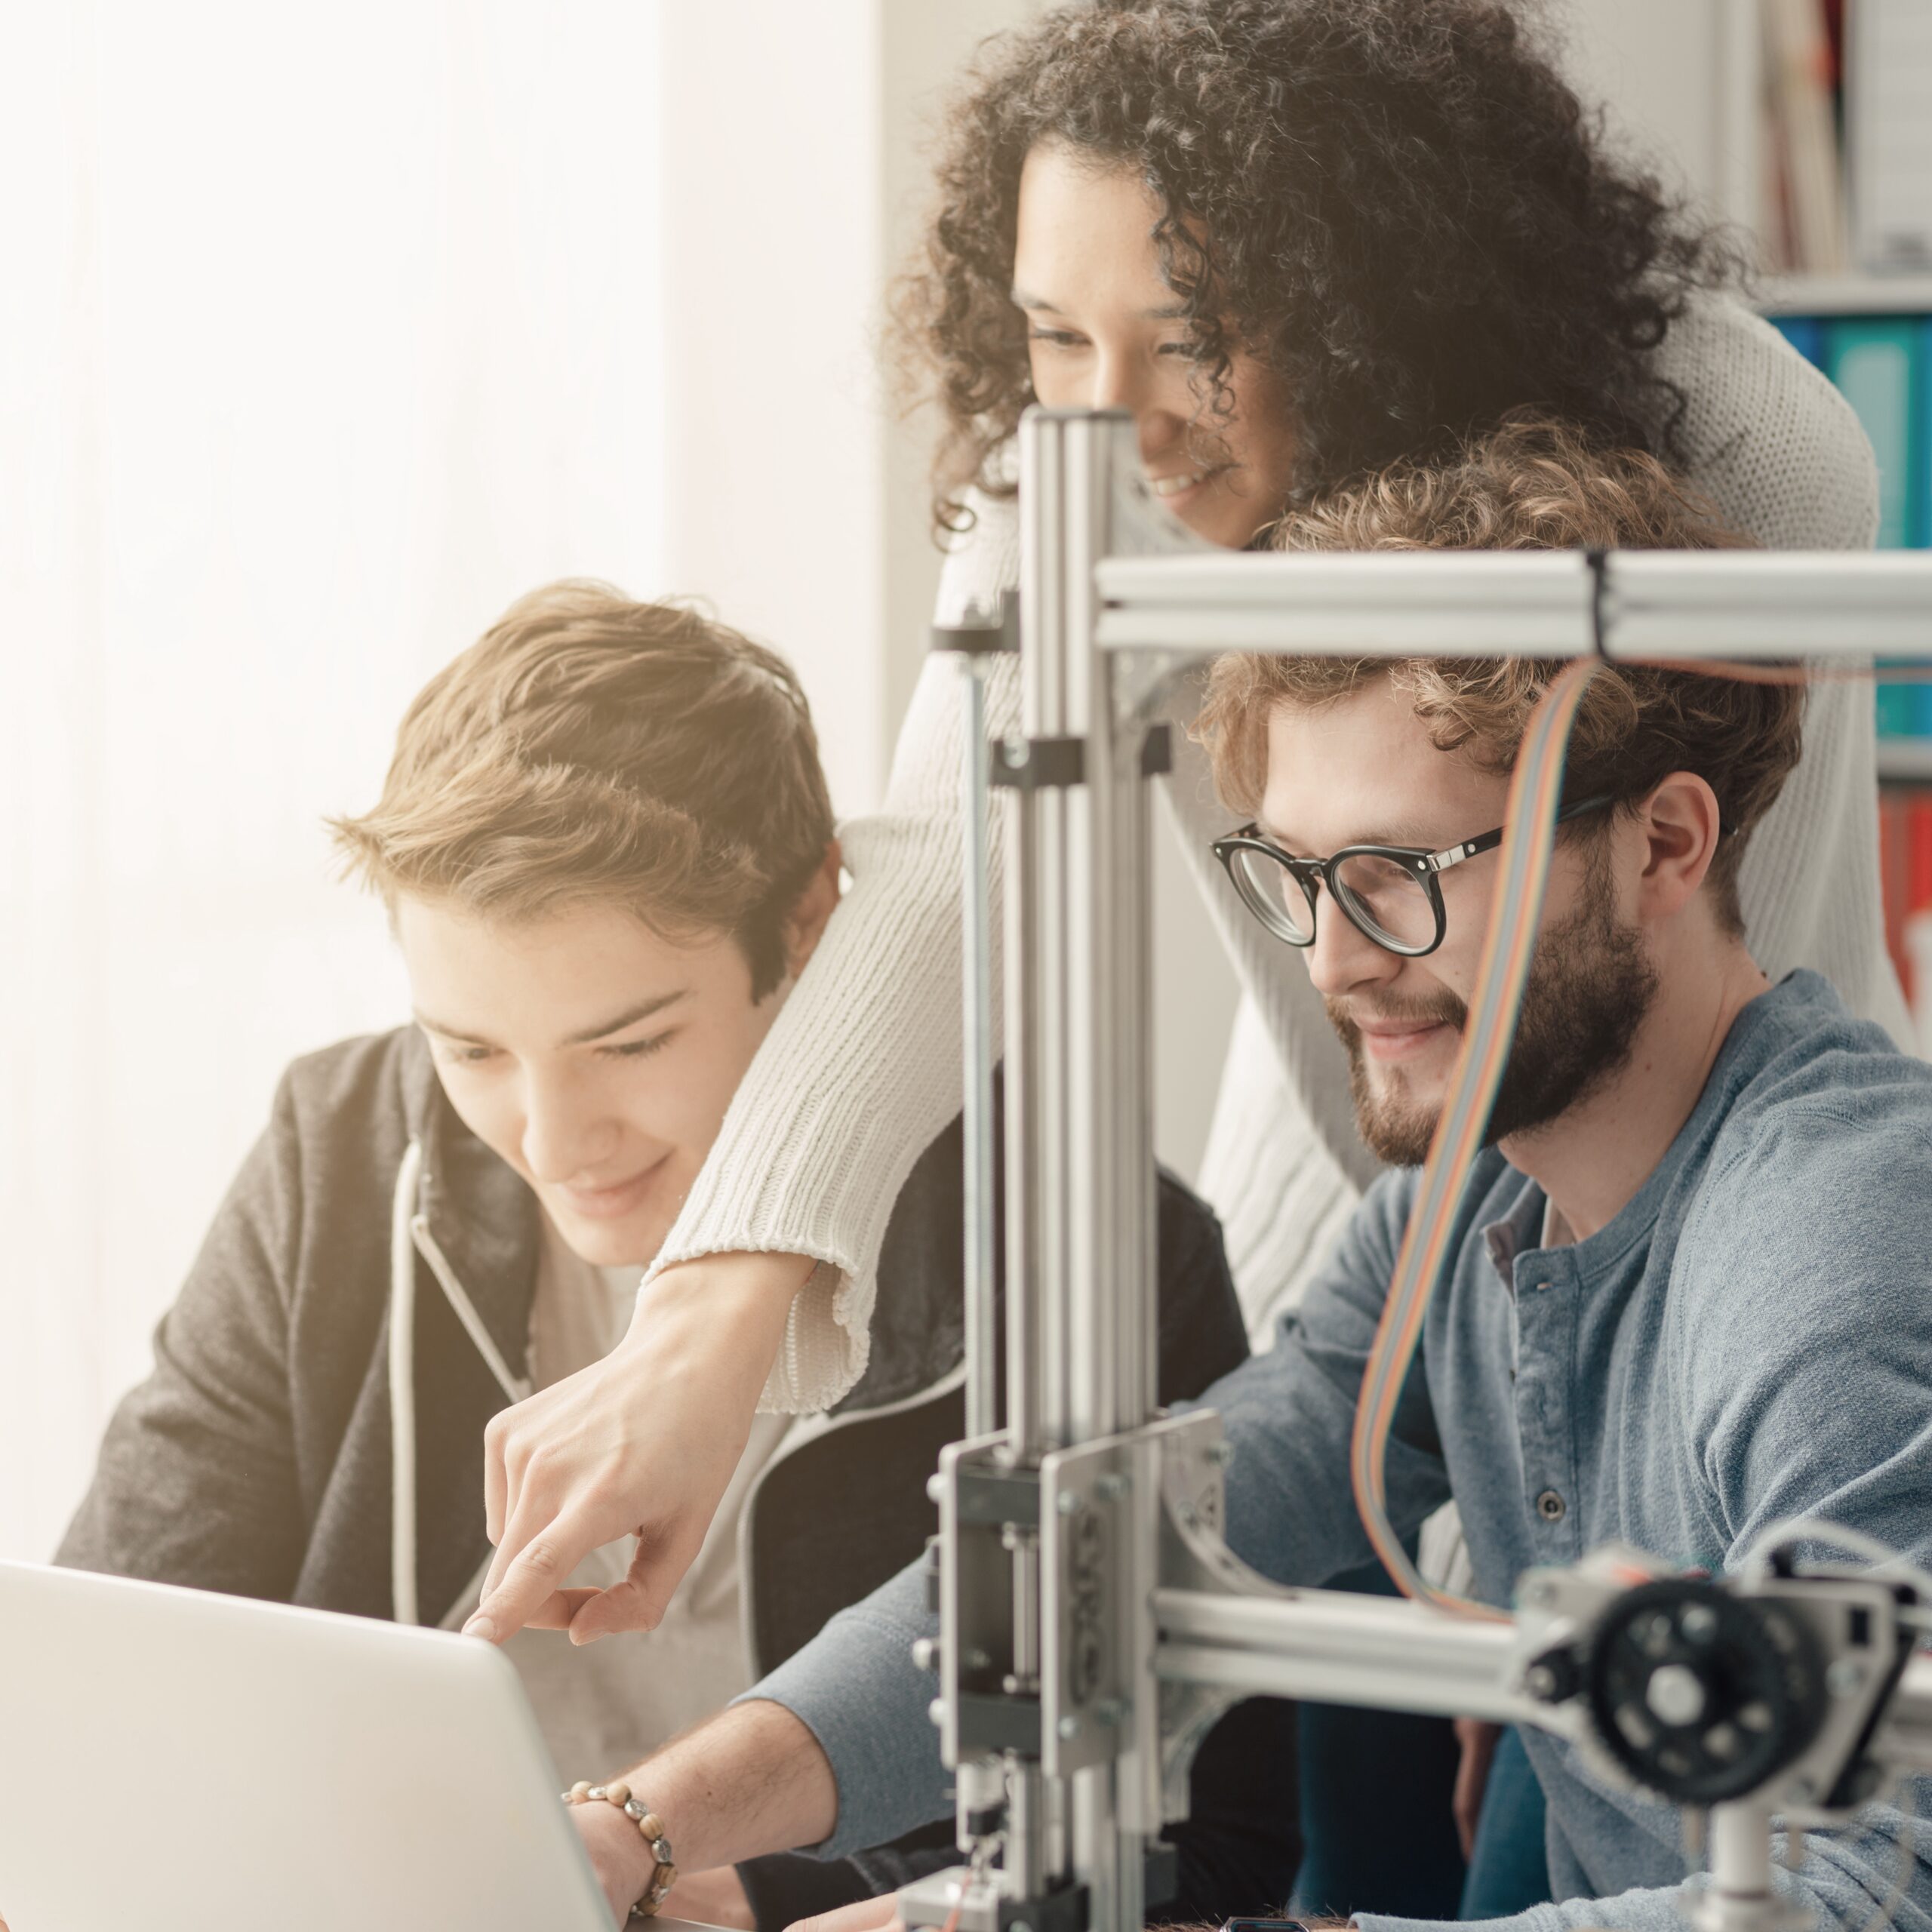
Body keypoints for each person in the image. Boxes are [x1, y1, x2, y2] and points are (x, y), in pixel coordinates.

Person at [463, 0, 1903, 1684]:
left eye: (1193, 334)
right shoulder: (1074, 469)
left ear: (1384, 295)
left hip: (1694, 1254)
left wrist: (1566, 1478)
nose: (1115, 425)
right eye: (1054, 336)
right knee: (1260, 1708)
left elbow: (1702, 974)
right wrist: (702, 1330)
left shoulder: (1728, 438)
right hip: (1362, 1193)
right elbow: (947, 855)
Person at [555, 421, 1932, 1932]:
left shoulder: (1831, 1244)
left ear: (1664, 842)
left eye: (1401, 873)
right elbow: (1115, 1568)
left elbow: (1865, 1890)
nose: (1334, 959)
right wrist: (640, 1821)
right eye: (1297, 873)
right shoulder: (1456, 1215)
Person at [57, 582, 1297, 1928]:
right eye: (471, 1049)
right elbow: (97, 1686)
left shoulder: (1080, 1242)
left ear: (815, 923)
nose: (549, 1139)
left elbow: (1210, 1843)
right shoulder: (340, 1156)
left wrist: (765, 1900)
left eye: (631, 1042)